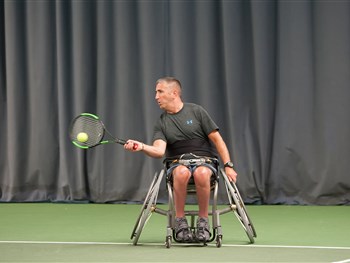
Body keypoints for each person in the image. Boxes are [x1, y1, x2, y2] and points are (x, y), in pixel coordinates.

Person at [124, 77, 237, 242]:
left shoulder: (196, 111)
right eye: (156, 92)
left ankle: (203, 222)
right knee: (182, 172)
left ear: (174, 93)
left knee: (202, 173)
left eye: (160, 92)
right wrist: (141, 146)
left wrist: (228, 165)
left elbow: (218, 140)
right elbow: (158, 150)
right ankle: (180, 221)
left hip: (205, 162)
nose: (156, 96)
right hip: (177, 164)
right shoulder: (161, 123)